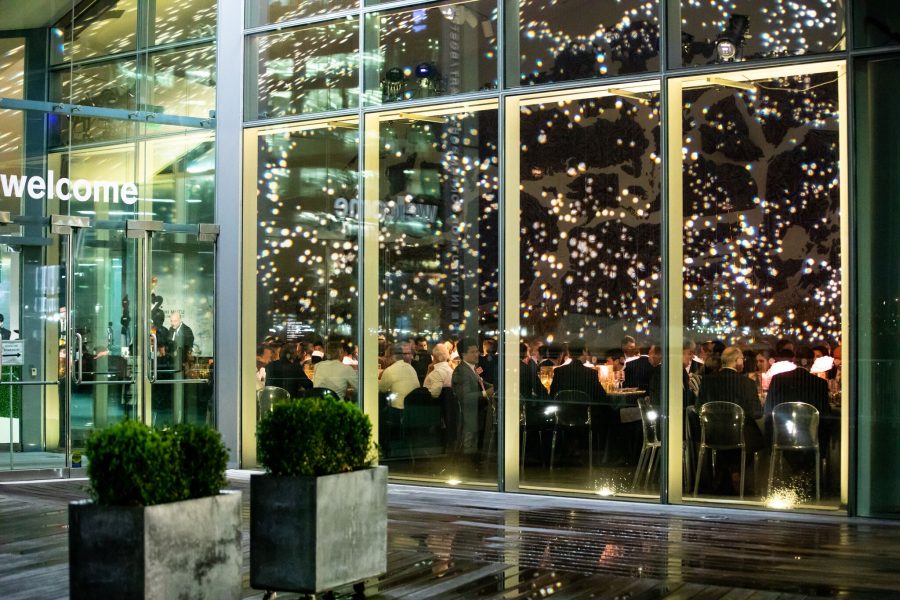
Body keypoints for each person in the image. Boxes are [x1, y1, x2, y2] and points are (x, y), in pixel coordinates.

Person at [696, 347, 764, 494]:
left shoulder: (707, 381)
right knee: (751, 436)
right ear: (737, 361)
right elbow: (757, 413)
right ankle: (735, 472)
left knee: (725, 440)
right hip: (740, 435)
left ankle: (723, 473)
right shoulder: (747, 383)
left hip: (711, 433)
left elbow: (698, 408)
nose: (743, 363)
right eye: (742, 360)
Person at [451, 339, 493, 456]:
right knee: (469, 450)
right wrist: (486, 393)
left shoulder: (473, 368)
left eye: (477, 351)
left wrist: (491, 386)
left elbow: (480, 382)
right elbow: (465, 397)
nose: (477, 354)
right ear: (463, 355)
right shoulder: (461, 371)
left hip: (478, 414)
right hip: (469, 417)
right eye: (473, 352)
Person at [378, 343, 420, 410]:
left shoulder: (390, 370)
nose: (385, 360)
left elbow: (382, 389)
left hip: (398, 411)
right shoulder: (411, 368)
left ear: (392, 356)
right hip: (413, 409)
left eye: (386, 357)